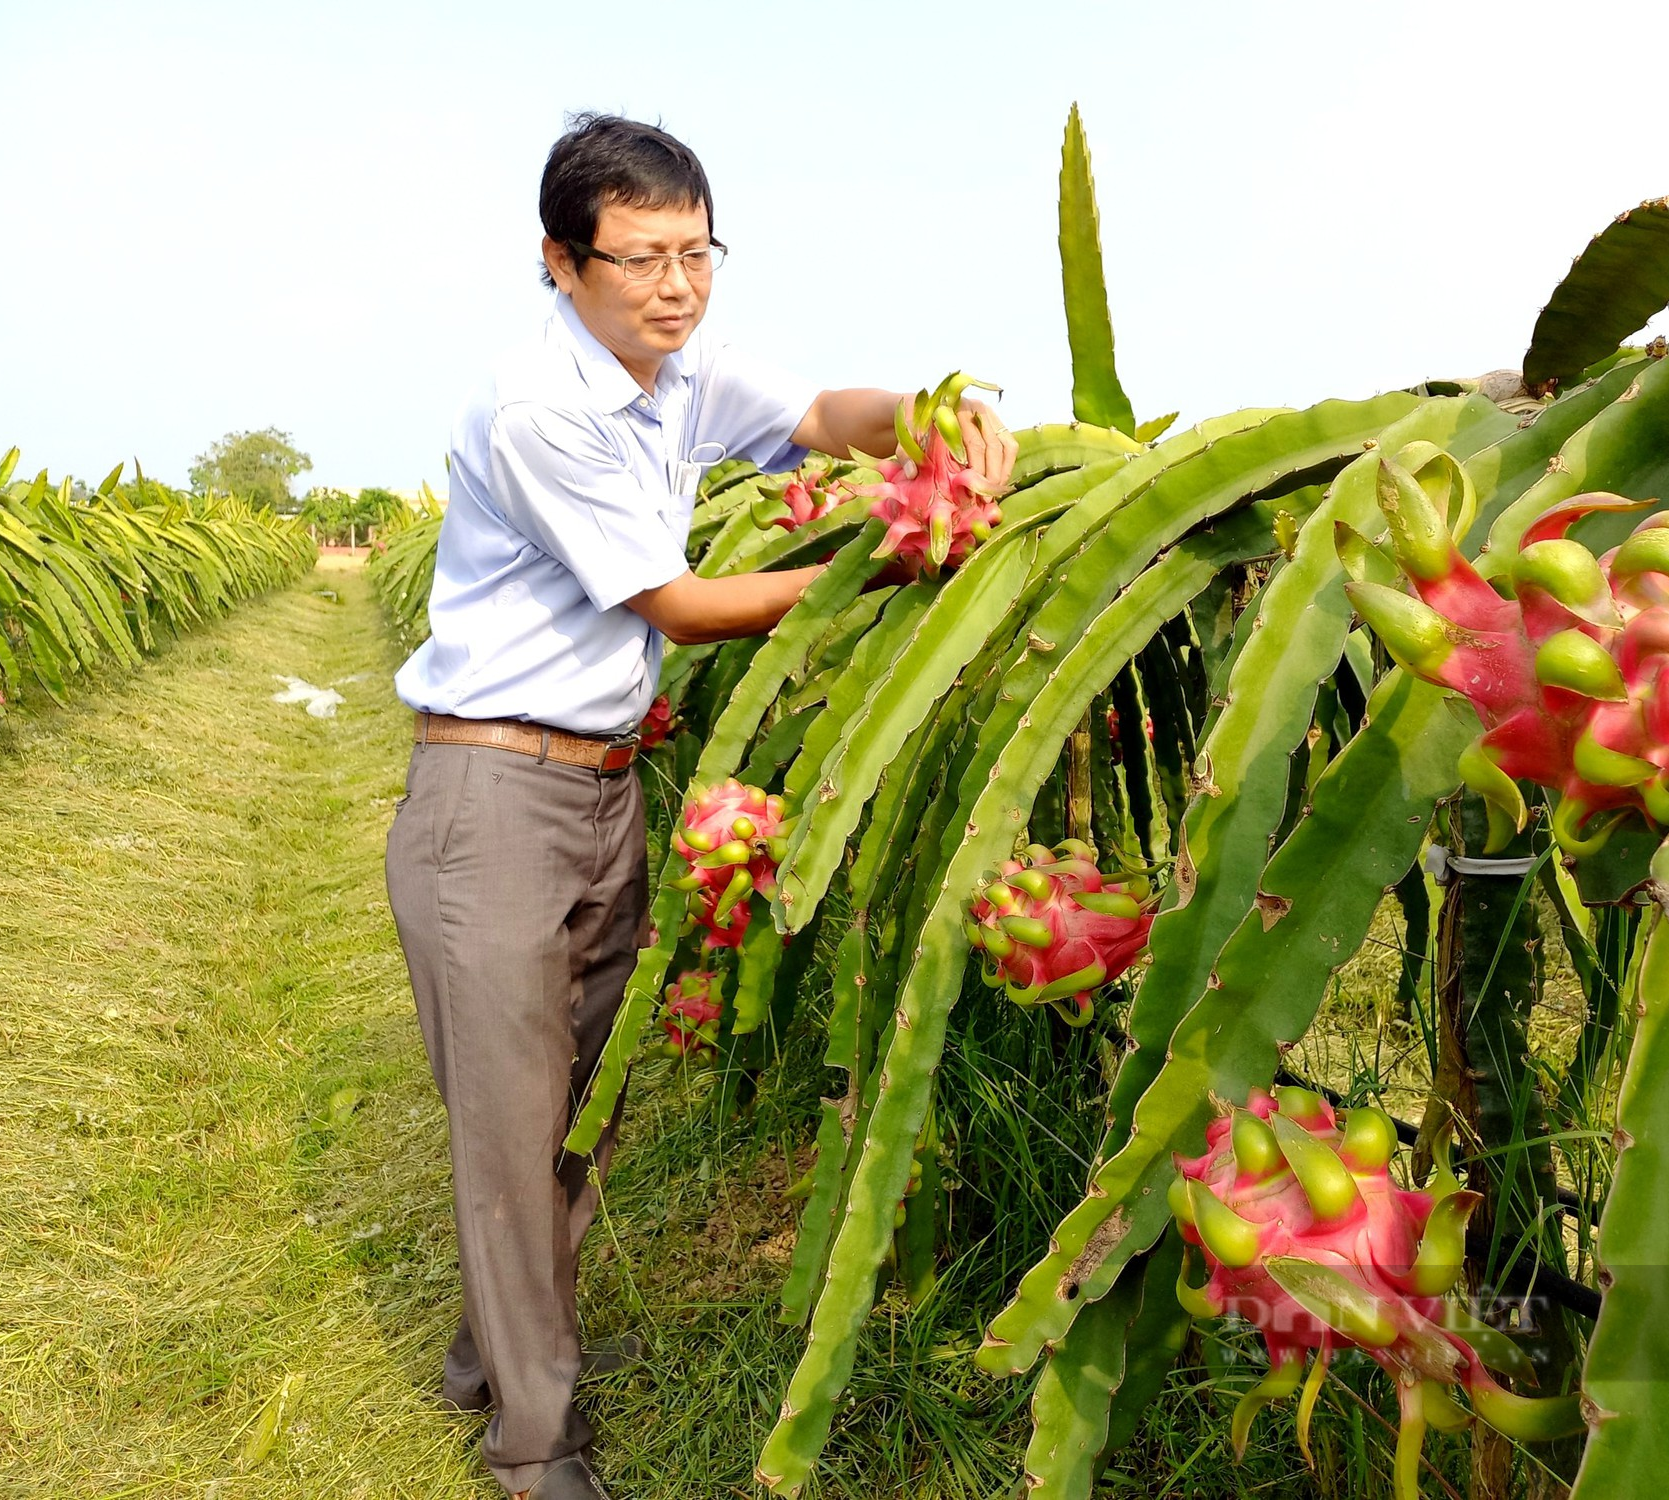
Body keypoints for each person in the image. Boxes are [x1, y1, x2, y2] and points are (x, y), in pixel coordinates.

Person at [383, 113, 1015, 1500]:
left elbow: (814, 419)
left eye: (697, 252)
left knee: (571, 1114)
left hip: (599, 786)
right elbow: (680, 604)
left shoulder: (673, 366)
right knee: (508, 1124)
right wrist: (896, 559)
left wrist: (929, 415)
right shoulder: (541, 403)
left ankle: (492, 1353)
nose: (677, 285)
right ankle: (535, 1450)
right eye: (643, 257)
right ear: (561, 261)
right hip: (490, 790)